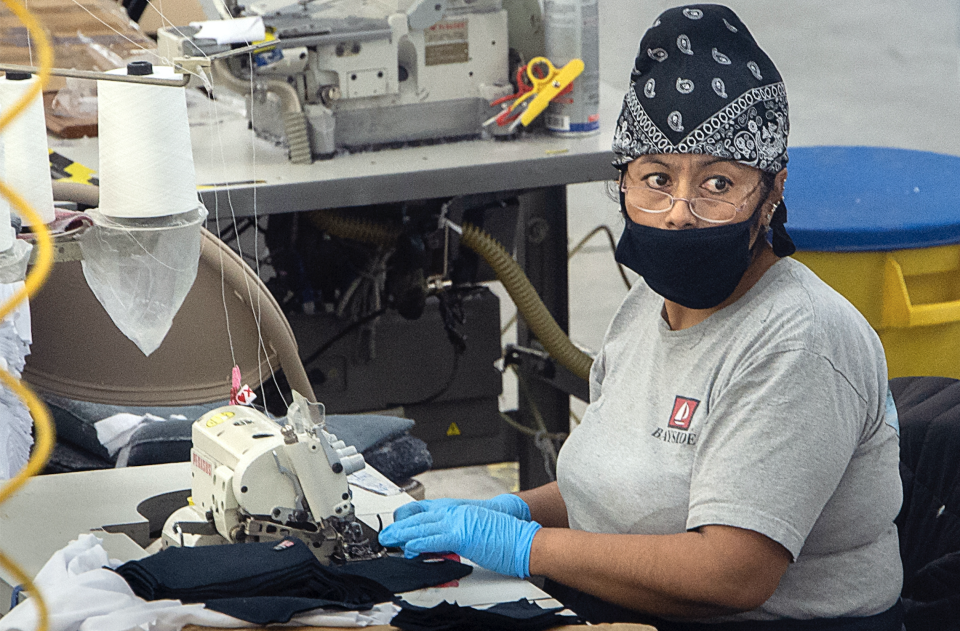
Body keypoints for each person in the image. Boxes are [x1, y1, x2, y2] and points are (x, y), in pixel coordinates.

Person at [379, 5, 904, 630]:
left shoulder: (800, 342)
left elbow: (733, 572)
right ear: (622, 181)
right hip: (624, 606)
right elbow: (620, 496)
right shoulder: (644, 308)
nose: (678, 212)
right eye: (656, 178)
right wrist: (514, 511)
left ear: (772, 193)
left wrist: (529, 547)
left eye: (717, 185)